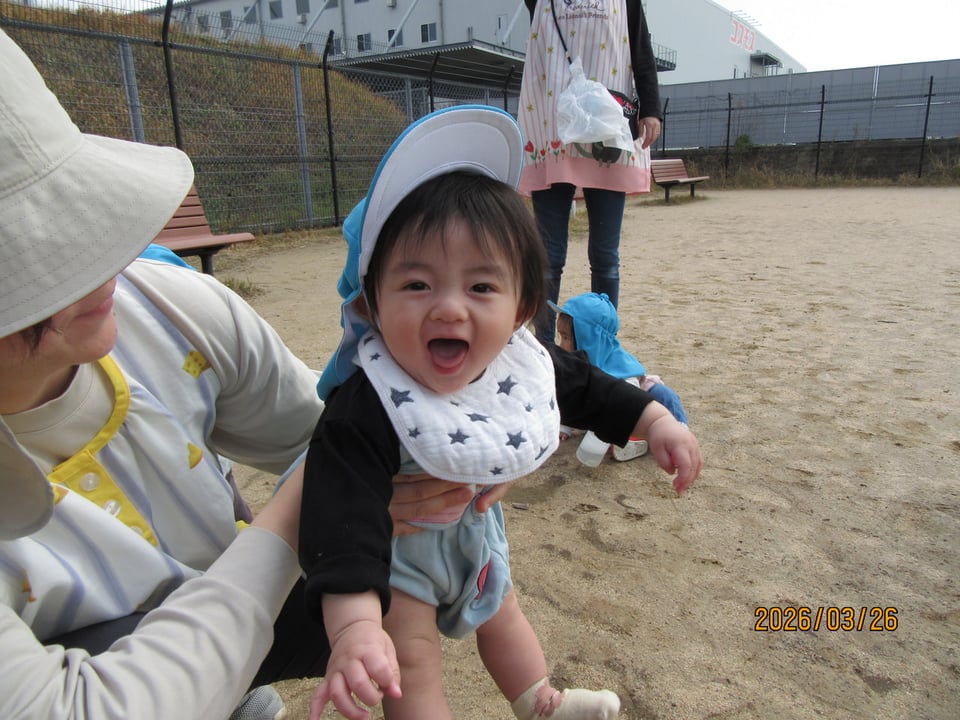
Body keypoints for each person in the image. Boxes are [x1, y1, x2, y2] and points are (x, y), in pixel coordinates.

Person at [0, 29, 508, 720]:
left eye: (80, 216)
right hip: (102, 672)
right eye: (41, 254)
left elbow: (339, 432)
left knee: (398, 554)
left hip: (227, 614)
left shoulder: (166, 311)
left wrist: (471, 440)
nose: (100, 258)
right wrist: (304, 509)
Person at [300, 106, 701, 720]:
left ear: (520, 309)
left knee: (505, 616)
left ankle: (541, 701)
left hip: (478, 540)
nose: (449, 308)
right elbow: (340, 515)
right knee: (411, 661)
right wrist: (355, 626)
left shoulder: (517, 362)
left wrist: (654, 421)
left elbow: (587, 387)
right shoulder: (366, 401)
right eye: (416, 285)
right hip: (400, 563)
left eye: (481, 287)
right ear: (371, 305)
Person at [518, 0, 664, 342]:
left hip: (606, 129)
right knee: (548, 256)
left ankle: (602, 344)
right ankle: (542, 349)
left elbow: (640, 48)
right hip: (552, 125)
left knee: (605, 255)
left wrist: (651, 107)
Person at [553, 292, 689, 462]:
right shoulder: (577, 367)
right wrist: (564, 426)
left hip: (634, 405)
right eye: (561, 337)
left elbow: (628, 402)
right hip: (602, 414)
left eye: (566, 338)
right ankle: (628, 442)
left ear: (589, 338)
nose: (561, 345)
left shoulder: (618, 367)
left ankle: (678, 432)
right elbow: (572, 398)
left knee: (664, 394)